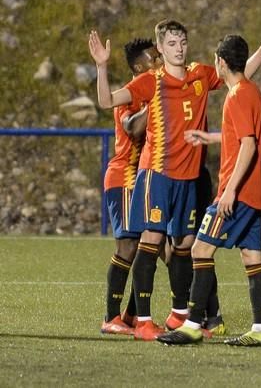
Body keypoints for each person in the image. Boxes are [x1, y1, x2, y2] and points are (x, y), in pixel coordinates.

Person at [88, 9, 261, 341]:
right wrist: (102, 66)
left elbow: (240, 72)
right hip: (158, 175)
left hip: (189, 179)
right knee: (151, 241)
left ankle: (179, 315)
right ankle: (143, 321)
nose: (179, 48)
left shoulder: (200, 74)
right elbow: (106, 101)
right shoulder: (150, 81)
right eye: (172, 43)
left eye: (183, 42)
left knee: (185, 245)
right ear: (160, 48)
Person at [157, 33, 261, 347]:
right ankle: (260, 329)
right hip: (255, 191)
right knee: (252, 255)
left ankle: (193, 324)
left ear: (221, 62)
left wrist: (230, 191)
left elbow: (248, 145)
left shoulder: (238, 95)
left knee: (200, 249)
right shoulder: (251, 91)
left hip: (239, 193)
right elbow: (246, 138)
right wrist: (212, 139)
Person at [100, 38, 161, 335]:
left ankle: (132, 315)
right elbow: (132, 128)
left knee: (150, 246)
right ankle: (111, 318)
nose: (160, 62)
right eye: (154, 58)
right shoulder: (133, 93)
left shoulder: (157, 90)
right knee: (128, 245)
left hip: (146, 178)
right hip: (124, 176)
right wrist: (157, 99)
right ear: (139, 67)